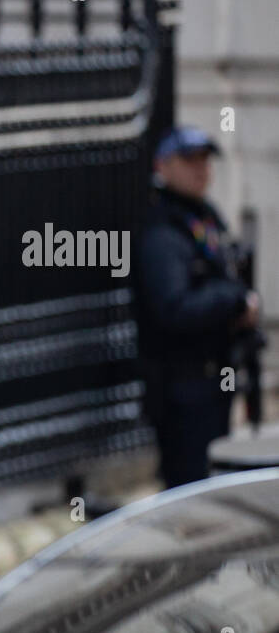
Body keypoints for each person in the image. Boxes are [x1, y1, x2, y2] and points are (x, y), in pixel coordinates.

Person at [133, 125, 262, 488]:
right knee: (189, 488)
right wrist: (232, 300)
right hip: (182, 390)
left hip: (213, 383)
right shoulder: (163, 232)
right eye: (189, 161)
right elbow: (174, 307)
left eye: (205, 160)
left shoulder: (204, 217)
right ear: (163, 167)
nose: (201, 169)